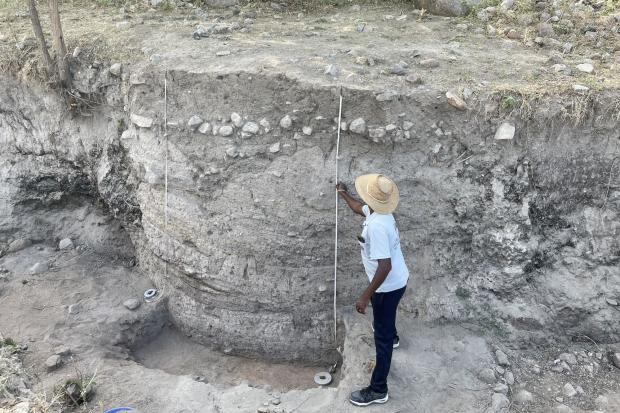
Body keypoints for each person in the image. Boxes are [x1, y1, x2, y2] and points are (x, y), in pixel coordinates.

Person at [336, 173, 409, 407]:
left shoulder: (377, 227)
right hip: (397, 280)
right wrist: (344, 194)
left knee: (382, 338)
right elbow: (359, 208)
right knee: (386, 321)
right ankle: (393, 335)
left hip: (387, 286)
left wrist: (365, 296)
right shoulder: (381, 213)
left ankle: (378, 389)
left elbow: (384, 266)